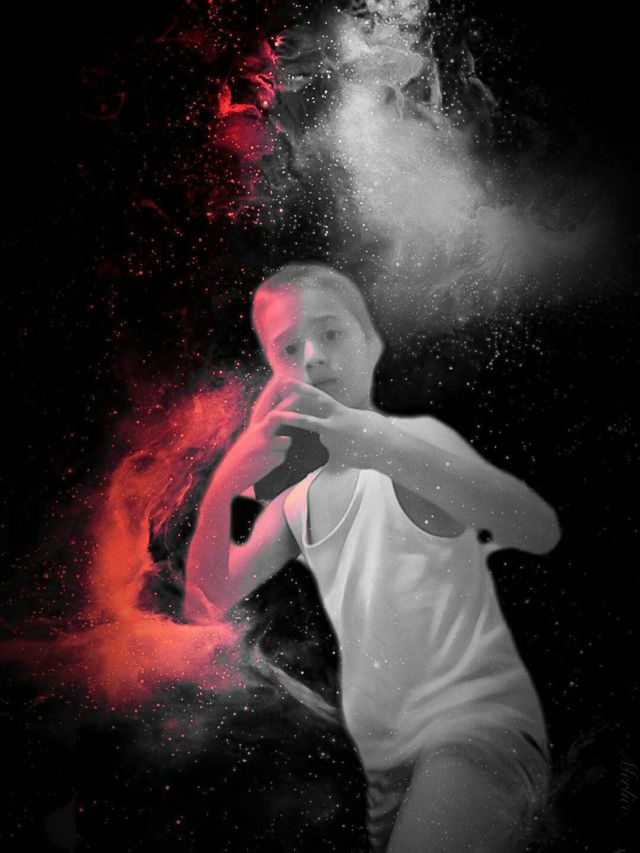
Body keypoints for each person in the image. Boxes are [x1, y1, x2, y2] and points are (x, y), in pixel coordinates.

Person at [184, 261, 560, 852]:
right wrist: (225, 483)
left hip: (475, 732)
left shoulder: (416, 444)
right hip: (385, 768)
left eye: (331, 332)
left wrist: (380, 443)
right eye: (288, 348)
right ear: (276, 374)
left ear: (371, 343)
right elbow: (204, 602)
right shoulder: (298, 502)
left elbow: (537, 529)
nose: (313, 356)